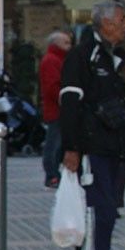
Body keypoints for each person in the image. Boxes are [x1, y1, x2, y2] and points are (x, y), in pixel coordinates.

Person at [60, 1, 125, 250]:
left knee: (107, 212)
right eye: (123, 20)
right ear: (107, 24)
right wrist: (72, 147)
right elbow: (70, 103)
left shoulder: (113, 56)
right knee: (96, 212)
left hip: (113, 147)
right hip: (92, 148)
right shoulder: (84, 56)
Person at [39, 30, 72, 188]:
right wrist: (66, 99)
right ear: (56, 44)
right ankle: (51, 175)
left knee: (58, 144)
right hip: (57, 109)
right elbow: (52, 86)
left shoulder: (60, 59)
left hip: (60, 108)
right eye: (66, 43)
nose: (69, 46)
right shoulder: (52, 60)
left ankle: (54, 174)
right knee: (54, 144)